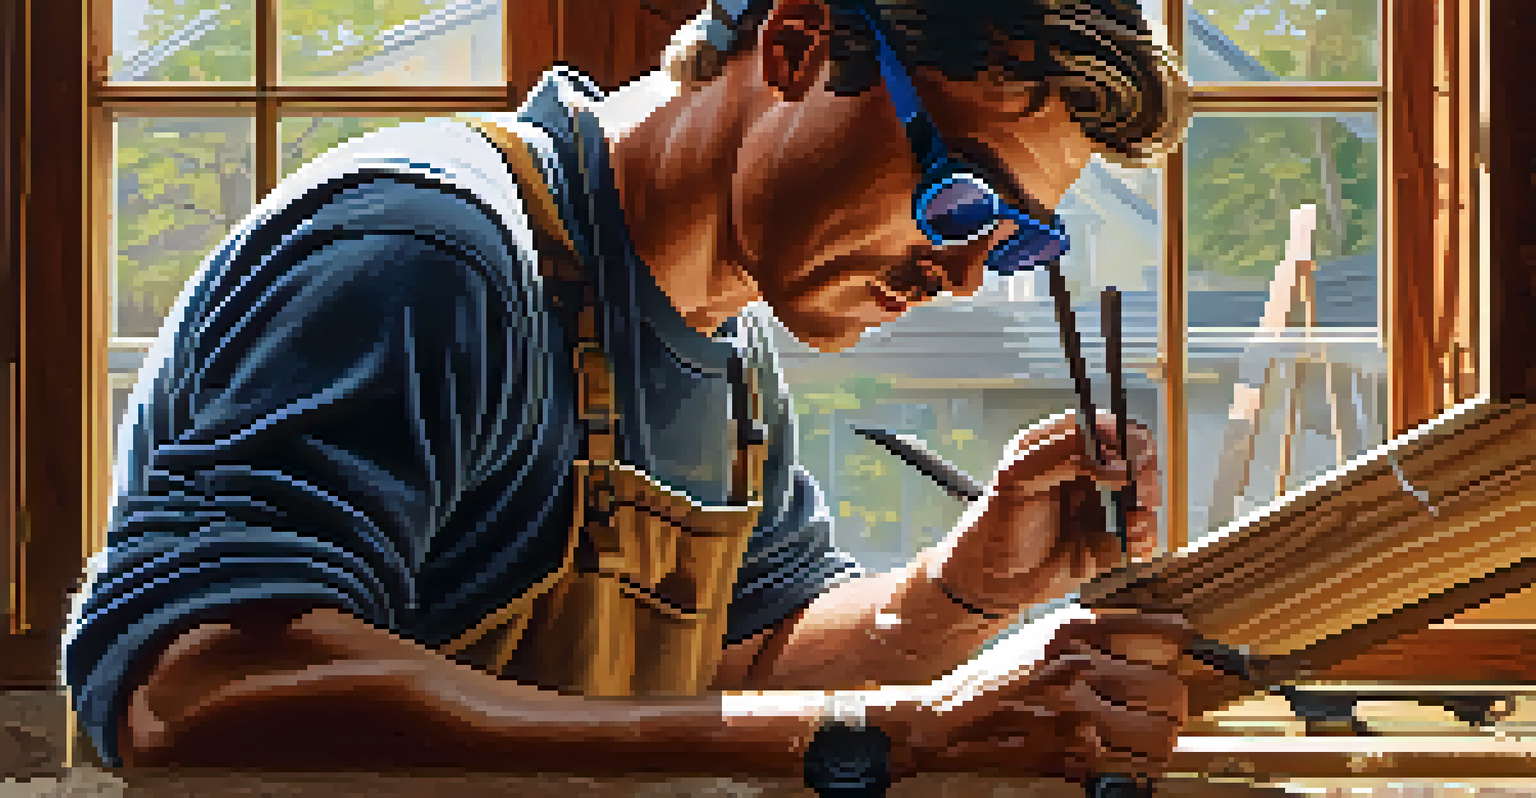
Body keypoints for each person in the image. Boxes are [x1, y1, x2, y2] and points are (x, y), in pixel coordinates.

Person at [64, 0, 1194, 787]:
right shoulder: (432, 254)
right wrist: (869, 737)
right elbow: (195, 688)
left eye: (1011, 240)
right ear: (797, 44)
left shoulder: (730, 357)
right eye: (958, 193)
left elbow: (746, 665)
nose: (958, 272)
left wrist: (962, 589)